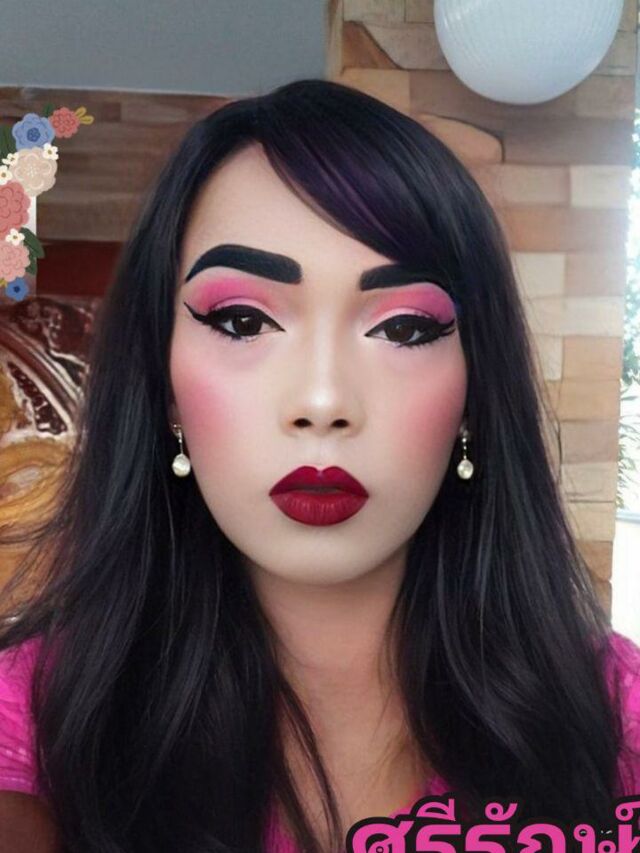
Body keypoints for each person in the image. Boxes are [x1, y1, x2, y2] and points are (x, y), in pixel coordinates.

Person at [0, 77, 638, 853]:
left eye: (404, 328)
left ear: (475, 391)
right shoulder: (34, 721)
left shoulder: (615, 717)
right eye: (243, 320)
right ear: (163, 386)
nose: (324, 400)